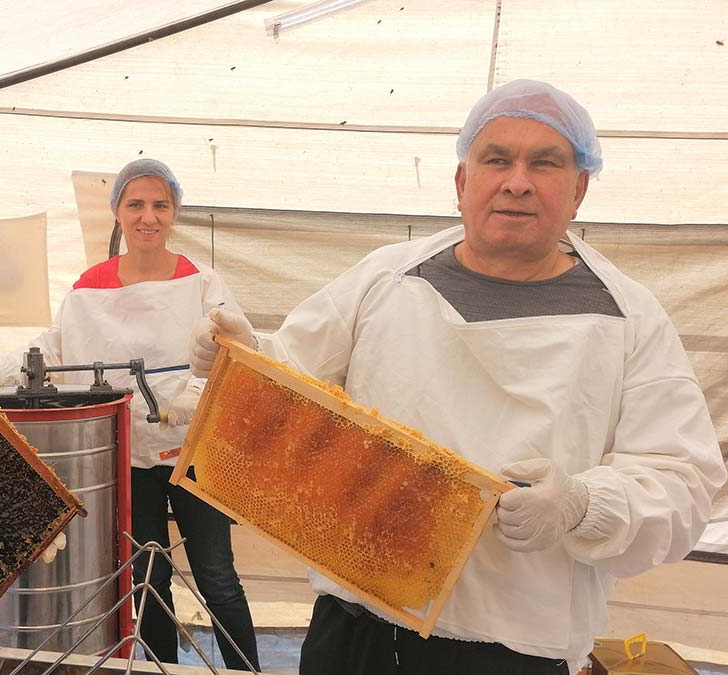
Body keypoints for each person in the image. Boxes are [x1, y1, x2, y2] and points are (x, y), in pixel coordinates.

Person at [191, 80, 726, 675]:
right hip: (352, 625)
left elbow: (682, 484)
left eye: (544, 163)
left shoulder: (630, 318)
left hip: (511, 649)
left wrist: (581, 503)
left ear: (579, 188)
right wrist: (240, 360)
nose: (517, 181)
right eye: (496, 159)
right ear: (461, 181)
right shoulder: (387, 277)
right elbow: (289, 380)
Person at [0, 159, 260, 671]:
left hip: (194, 452)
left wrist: (195, 394)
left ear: (174, 213)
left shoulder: (202, 281)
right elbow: (55, 346)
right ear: (118, 214)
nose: (148, 216)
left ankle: (248, 671)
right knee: (147, 576)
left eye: (160, 205)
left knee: (217, 575)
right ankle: (160, 669)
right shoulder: (90, 286)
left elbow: (234, 347)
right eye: (136, 204)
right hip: (126, 454)